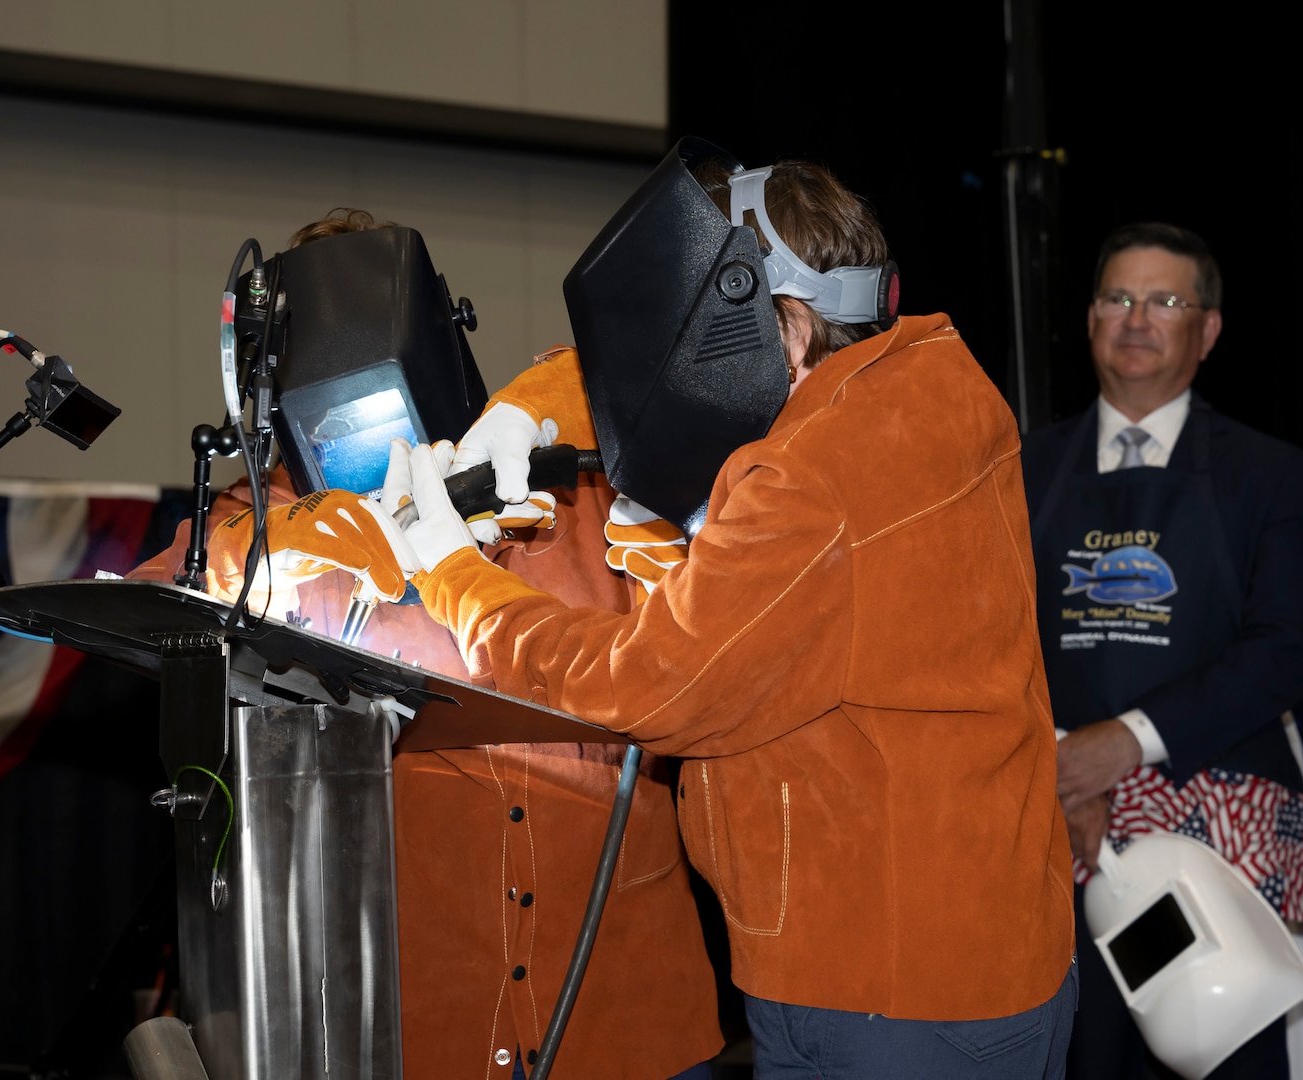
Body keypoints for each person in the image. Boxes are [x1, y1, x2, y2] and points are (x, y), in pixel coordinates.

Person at [368, 142, 1078, 1078]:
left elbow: (644, 687)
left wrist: (457, 574)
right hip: (1006, 948)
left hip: (879, 991)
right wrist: (533, 405)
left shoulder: (801, 481)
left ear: (770, 322)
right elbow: (657, 379)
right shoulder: (942, 380)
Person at [131, 209, 724, 1079]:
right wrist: (359, 526)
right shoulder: (261, 518)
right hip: (430, 1021)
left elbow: (667, 391)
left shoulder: (576, 486)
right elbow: (163, 592)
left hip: (632, 1012)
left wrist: (533, 422)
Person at [1019, 222, 1303, 1079]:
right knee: (1086, 1058)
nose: (1137, 318)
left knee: (1220, 1056)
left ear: (1208, 329)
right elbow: (982, 643)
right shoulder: (1018, 467)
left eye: (1165, 300)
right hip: (1059, 827)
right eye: (1117, 298)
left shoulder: (1270, 472)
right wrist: (1061, 763)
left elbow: (1284, 650)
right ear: (1088, 320)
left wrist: (1125, 741)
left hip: (1214, 828)